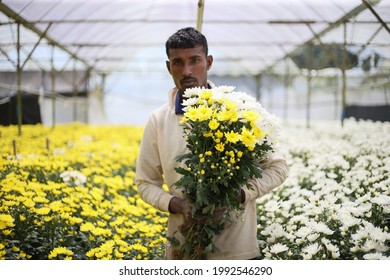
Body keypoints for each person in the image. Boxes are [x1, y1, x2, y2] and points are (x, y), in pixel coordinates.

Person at [135, 27, 288, 260]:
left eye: (194, 60)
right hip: (184, 248)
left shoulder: (240, 112)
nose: (187, 71)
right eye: (178, 62)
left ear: (208, 62)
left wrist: (239, 194)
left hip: (237, 250)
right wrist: (175, 204)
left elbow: (278, 168)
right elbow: (145, 182)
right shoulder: (158, 121)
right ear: (169, 67)